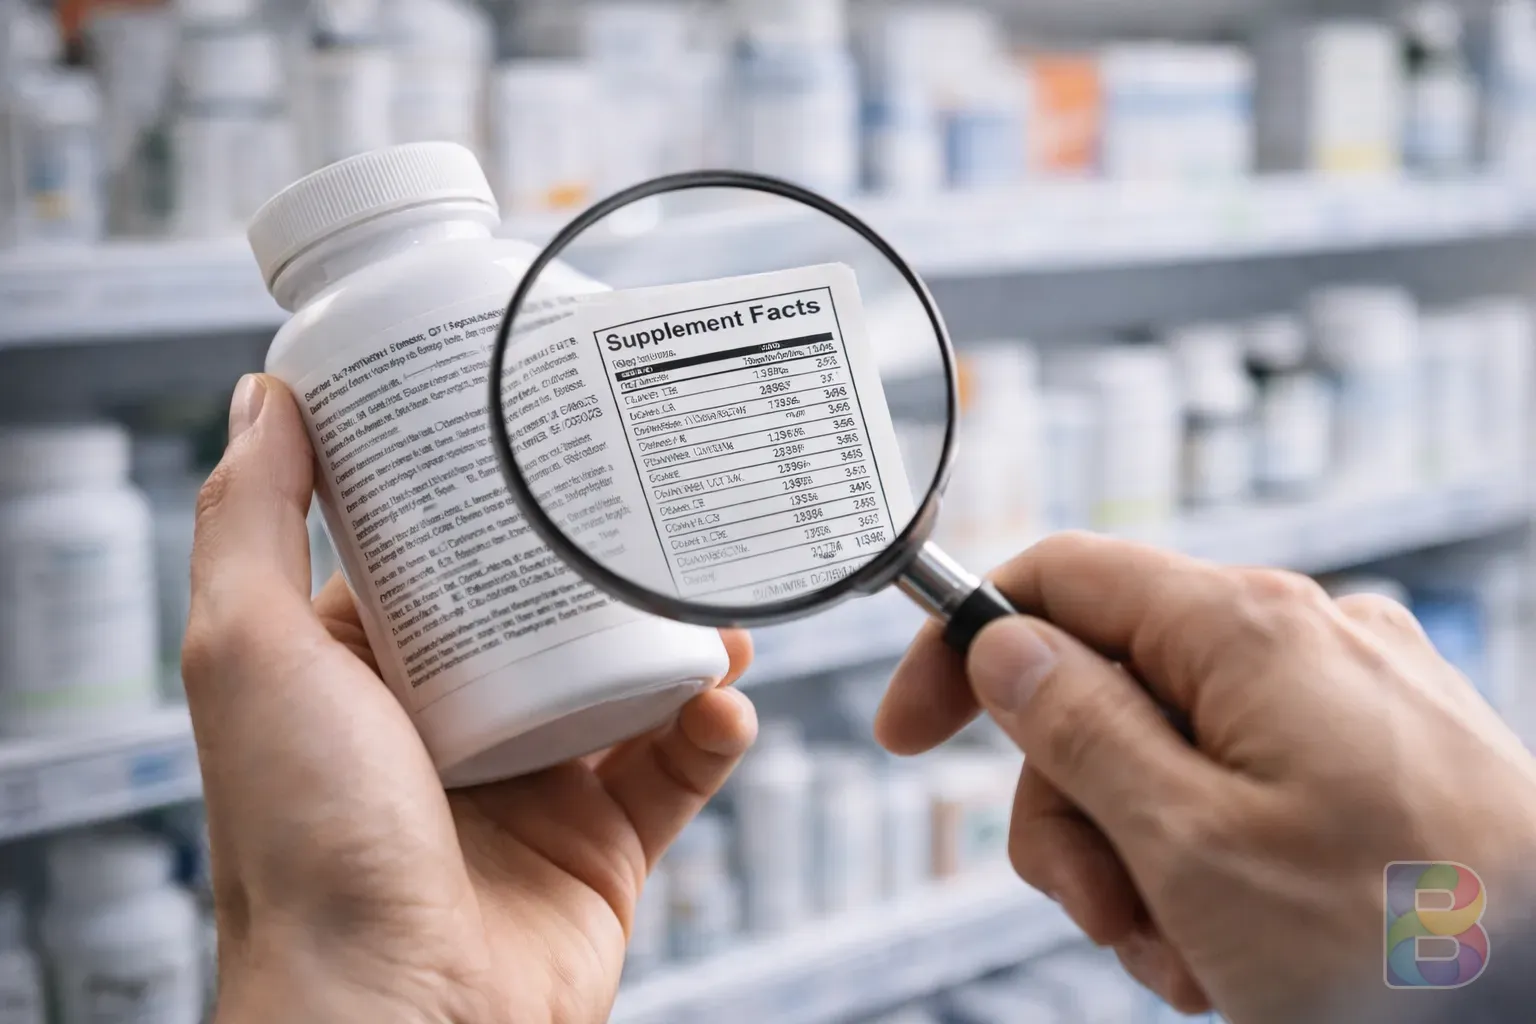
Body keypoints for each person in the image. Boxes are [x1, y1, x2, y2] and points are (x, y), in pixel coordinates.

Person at [188, 375, 1536, 1024]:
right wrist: (1471, 924)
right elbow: (1449, 951)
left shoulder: (1461, 955)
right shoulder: (1463, 947)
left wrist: (352, 987)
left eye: (1454, 929)